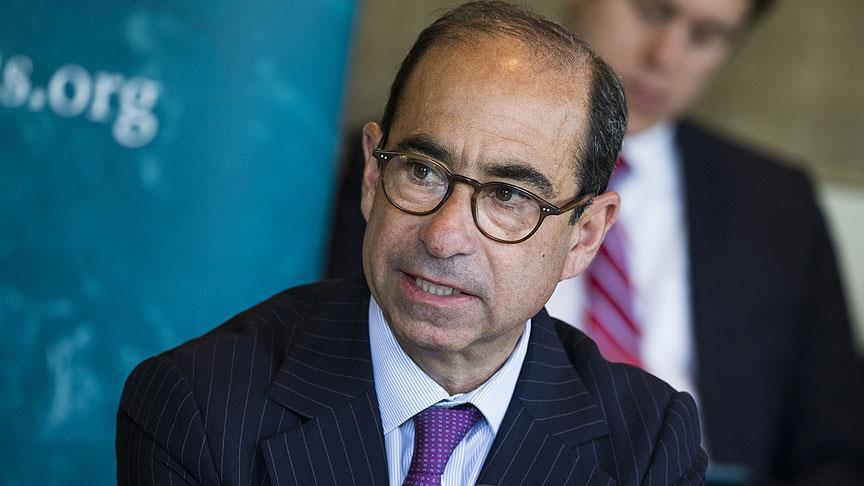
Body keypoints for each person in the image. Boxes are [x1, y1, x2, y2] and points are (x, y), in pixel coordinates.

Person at [117, 2, 708, 485]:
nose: (444, 236)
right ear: (373, 175)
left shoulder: (649, 446)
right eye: (422, 171)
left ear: (585, 235)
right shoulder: (200, 404)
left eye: (508, 196)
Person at [543, 0, 864, 483]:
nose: (665, 56)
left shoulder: (778, 205)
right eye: (651, 12)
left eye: (706, 36)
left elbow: (836, 451)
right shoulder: (453, 163)